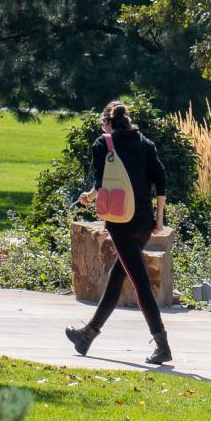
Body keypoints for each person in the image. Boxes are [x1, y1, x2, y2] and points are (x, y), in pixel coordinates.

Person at [64, 101, 172, 365]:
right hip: (144, 223)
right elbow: (161, 179)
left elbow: (101, 186)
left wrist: (88, 198)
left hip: (121, 223)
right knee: (117, 278)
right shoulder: (145, 143)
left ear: (108, 123)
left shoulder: (103, 144)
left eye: (104, 125)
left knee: (140, 283)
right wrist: (159, 220)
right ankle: (87, 335)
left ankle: (162, 345)